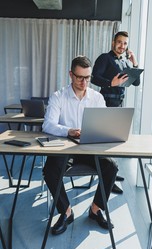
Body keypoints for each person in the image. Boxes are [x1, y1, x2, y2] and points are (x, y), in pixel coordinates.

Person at [42, 55, 118, 235]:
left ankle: (96, 209)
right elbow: (47, 125)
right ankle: (66, 212)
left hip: (89, 147)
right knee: (50, 170)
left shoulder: (97, 97)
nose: (84, 82)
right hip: (65, 147)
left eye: (87, 78)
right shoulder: (58, 96)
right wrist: (68, 131)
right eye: (79, 77)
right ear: (70, 74)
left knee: (111, 168)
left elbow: (105, 124)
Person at [91, 31, 140, 194]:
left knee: (113, 142)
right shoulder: (105, 58)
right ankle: (108, 180)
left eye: (125, 43)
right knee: (105, 143)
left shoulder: (126, 61)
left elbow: (136, 83)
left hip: (118, 103)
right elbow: (93, 78)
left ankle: (110, 173)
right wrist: (110, 83)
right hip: (104, 102)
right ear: (113, 43)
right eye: (119, 42)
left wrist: (134, 63)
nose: (122, 46)